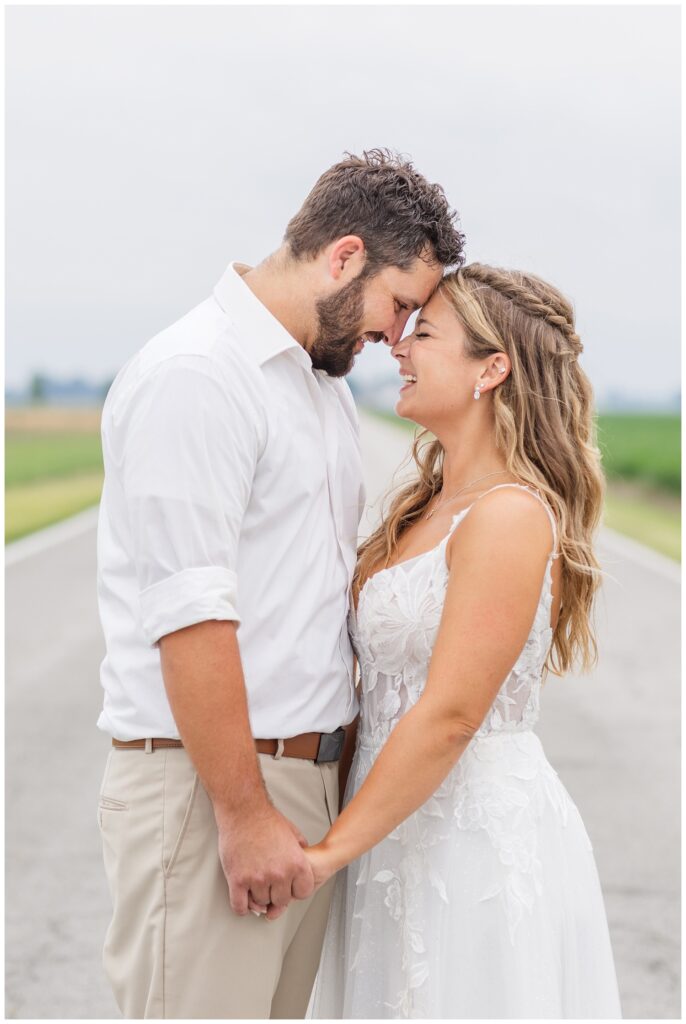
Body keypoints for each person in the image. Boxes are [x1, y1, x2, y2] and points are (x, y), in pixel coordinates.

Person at [95, 148, 465, 1019]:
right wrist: (243, 811)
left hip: (301, 786)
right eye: (399, 304)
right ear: (343, 258)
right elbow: (190, 614)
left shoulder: (318, 386)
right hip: (213, 786)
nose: (398, 334)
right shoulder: (199, 376)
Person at [305, 264, 623, 1018]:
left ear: (493, 369)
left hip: (469, 839)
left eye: (425, 333)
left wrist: (325, 855)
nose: (400, 349)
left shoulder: (509, 515)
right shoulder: (422, 509)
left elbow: (451, 715)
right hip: (385, 824)